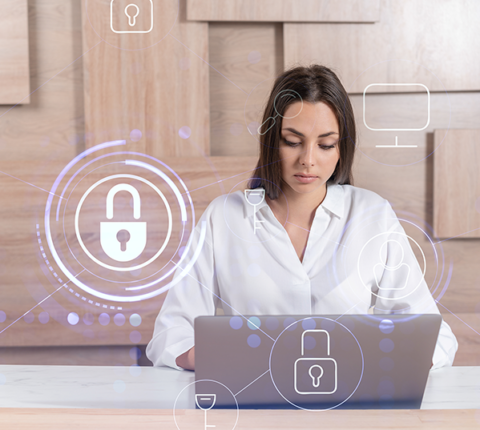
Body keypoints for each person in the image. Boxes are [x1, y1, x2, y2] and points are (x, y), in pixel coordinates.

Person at [146, 65, 457, 371]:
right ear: (271, 141)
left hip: (348, 410)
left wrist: (386, 360)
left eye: (325, 145)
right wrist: (219, 356)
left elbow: (436, 339)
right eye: (293, 142)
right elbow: (170, 335)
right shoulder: (224, 218)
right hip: (252, 407)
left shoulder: (371, 215)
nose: (307, 160)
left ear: (341, 148)